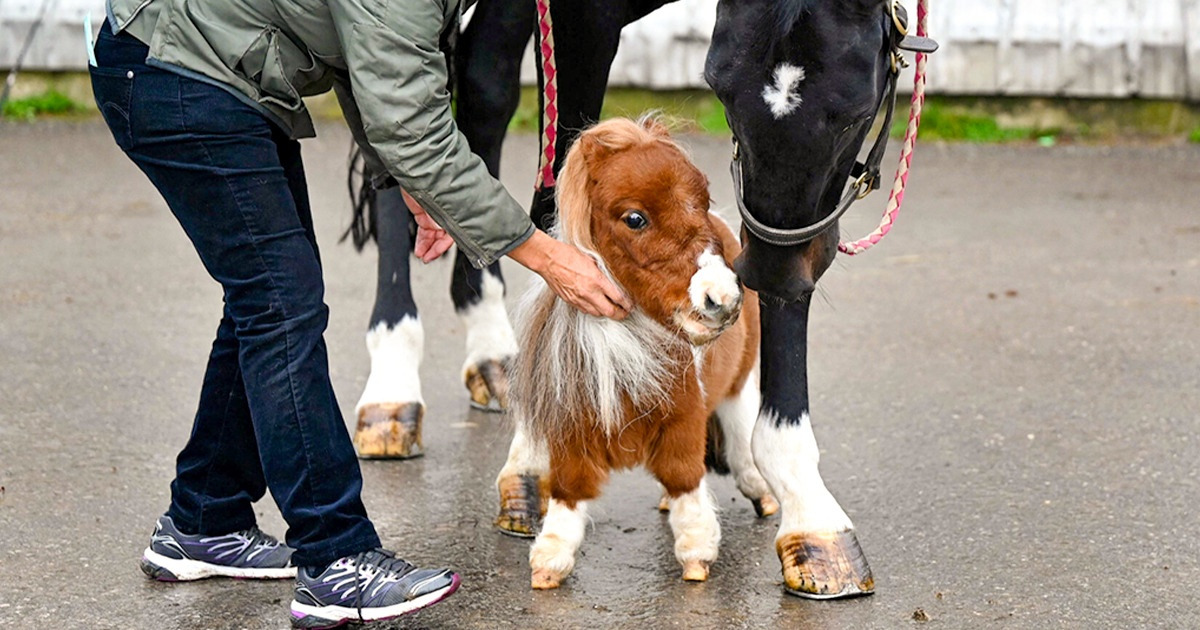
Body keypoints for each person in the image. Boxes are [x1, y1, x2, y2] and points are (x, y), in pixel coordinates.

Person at [88, 0, 632, 626]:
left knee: (266, 301)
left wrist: (410, 183)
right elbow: (411, 126)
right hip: (178, 72)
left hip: (207, 69)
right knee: (279, 309)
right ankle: (336, 557)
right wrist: (549, 257)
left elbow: (369, 66)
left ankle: (205, 517)